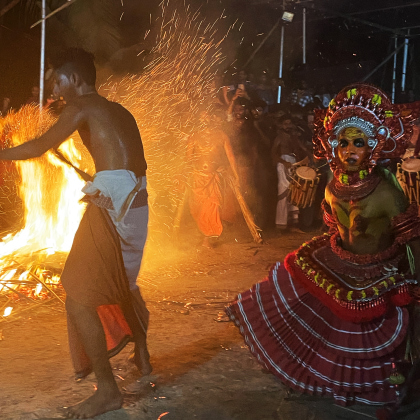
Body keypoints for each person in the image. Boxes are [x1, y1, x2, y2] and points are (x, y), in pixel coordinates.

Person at [227, 84, 420, 416]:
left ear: (373, 147)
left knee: (359, 330)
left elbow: (411, 237)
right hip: (340, 258)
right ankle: (320, 374)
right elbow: (333, 225)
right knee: (286, 278)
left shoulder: (387, 191)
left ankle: (366, 383)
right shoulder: (332, 186)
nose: (349, 150)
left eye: (358, 142)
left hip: (377, 269)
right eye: (343, 142)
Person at [0, 48, 152, 418]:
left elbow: (39, 146)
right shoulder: (119, 110)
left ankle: (108, 391)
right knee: (122, 283)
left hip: (111, 209)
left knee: (78, 297)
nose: (54, 87)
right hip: (137, 206)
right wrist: (105, 180)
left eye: (58, 79)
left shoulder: (79, 107)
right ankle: (143, 357)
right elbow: (133, 163)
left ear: (76, 79)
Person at [185, 108, 239, 247]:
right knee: (197, 208)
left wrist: (236, 175)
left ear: (212, 120)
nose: (205, 120)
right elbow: (188, 159)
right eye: (202, 119)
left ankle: (207, 238)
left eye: (207, 118)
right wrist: (185, 175)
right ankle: (204, 234)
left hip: (213, 178)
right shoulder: (194, 136)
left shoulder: (221, 135)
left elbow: (231, 157)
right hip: (198, 178)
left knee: (210, 207)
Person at [271, 114, 309, 230]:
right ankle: (281, 224)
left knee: (295, 192)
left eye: (289, 123)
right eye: (285, 124)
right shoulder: (279, 137)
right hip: (283, 164)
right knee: (283, 192)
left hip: (293, 163)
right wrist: (283, 162)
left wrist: (309, 157)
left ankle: (293, 223)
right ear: (281, 125)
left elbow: (303, 148)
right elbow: (273, 153)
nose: (288, 126)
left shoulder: (294, 137)